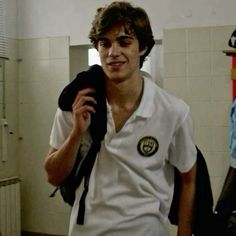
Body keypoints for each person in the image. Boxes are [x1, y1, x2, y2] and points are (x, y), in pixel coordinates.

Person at [44, 1, 197, 236]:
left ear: (142, 47)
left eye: (124, 42)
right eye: (105, 43)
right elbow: (53, 176)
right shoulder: (78, 103)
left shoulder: (173, 112)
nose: (113, 52)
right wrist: (76, 133)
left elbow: (188, 178)